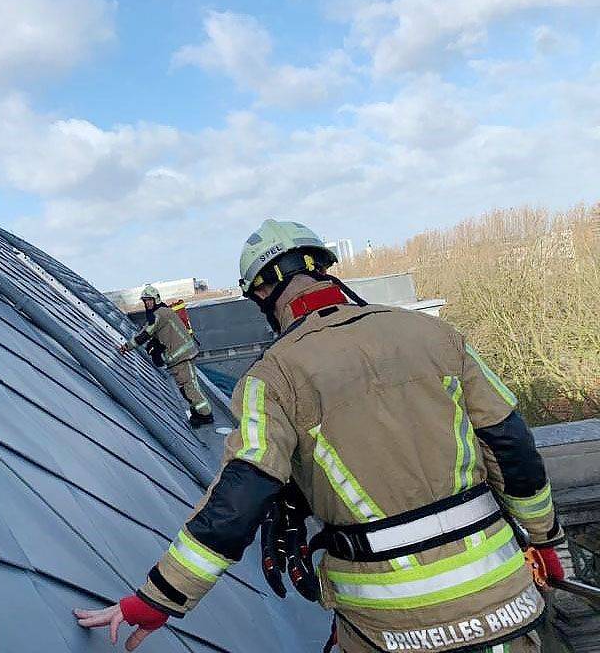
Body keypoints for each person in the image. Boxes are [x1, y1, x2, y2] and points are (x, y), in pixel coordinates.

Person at [77, 220, 564, 652]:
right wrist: (547, 541)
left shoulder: (270, 380)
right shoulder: (435, 335)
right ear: (325, 269)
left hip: (390, 625)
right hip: (504, 600)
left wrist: (157, 599)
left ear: (263, 295)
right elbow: (511, 446)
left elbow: (238, 501)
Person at [119, 284, 214, 427]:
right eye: (145, 301)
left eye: (149, 300)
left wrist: (126, 347)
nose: (147, 303)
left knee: (189, 387)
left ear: (156, 299)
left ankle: (205, 415)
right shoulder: (161, 312)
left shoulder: (160, 314)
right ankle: (198, 412)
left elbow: (145, 333)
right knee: (186, 388)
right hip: (179, 358)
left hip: (182, 357)